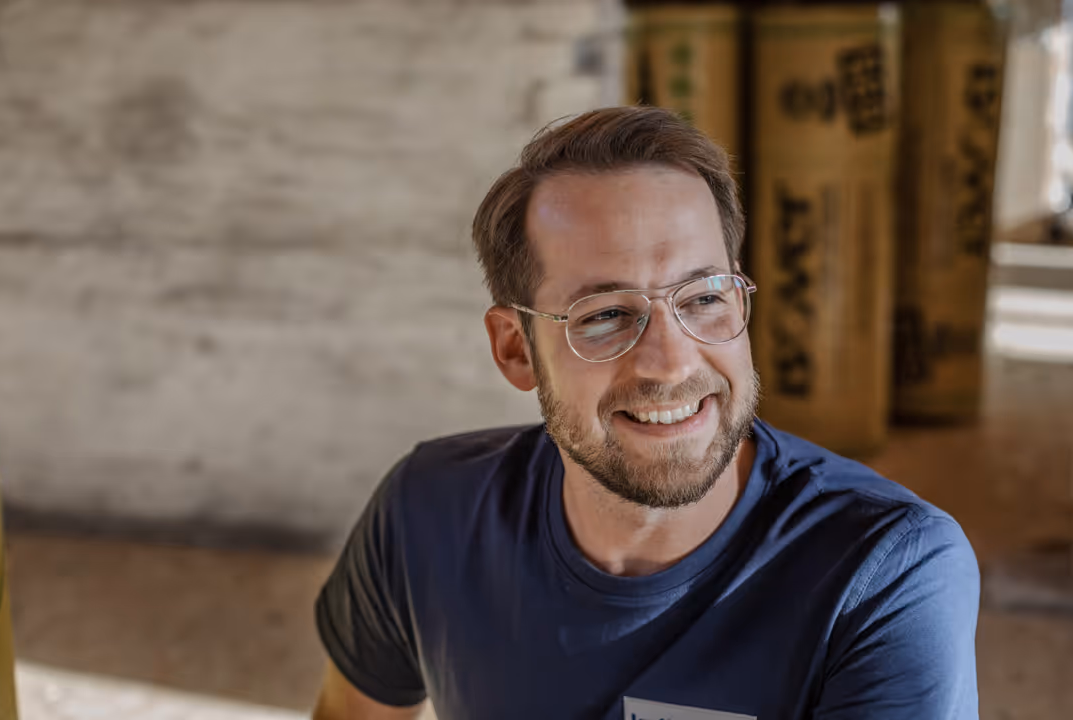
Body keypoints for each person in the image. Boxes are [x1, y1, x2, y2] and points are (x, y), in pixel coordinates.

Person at [312, 106, 979, 720]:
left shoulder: (884, 573)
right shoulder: (428, 512)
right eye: (605, 316)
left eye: (704, 297)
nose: (672, 362)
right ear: (516, 349)